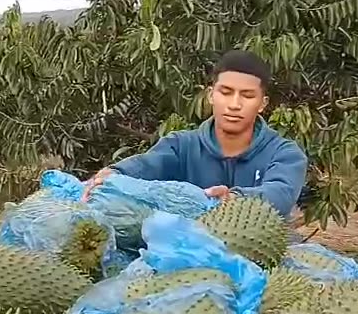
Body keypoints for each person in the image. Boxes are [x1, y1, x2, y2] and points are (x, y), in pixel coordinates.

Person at [83, 49, 307, 218]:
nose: (234, 104)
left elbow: (280, 193)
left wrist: (236, 198)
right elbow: (148, 165)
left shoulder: (284, 153)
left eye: (247, 96)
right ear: (211, 95)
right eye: (226, 93)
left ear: (262, 104)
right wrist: (114, 172)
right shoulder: (181, 145)